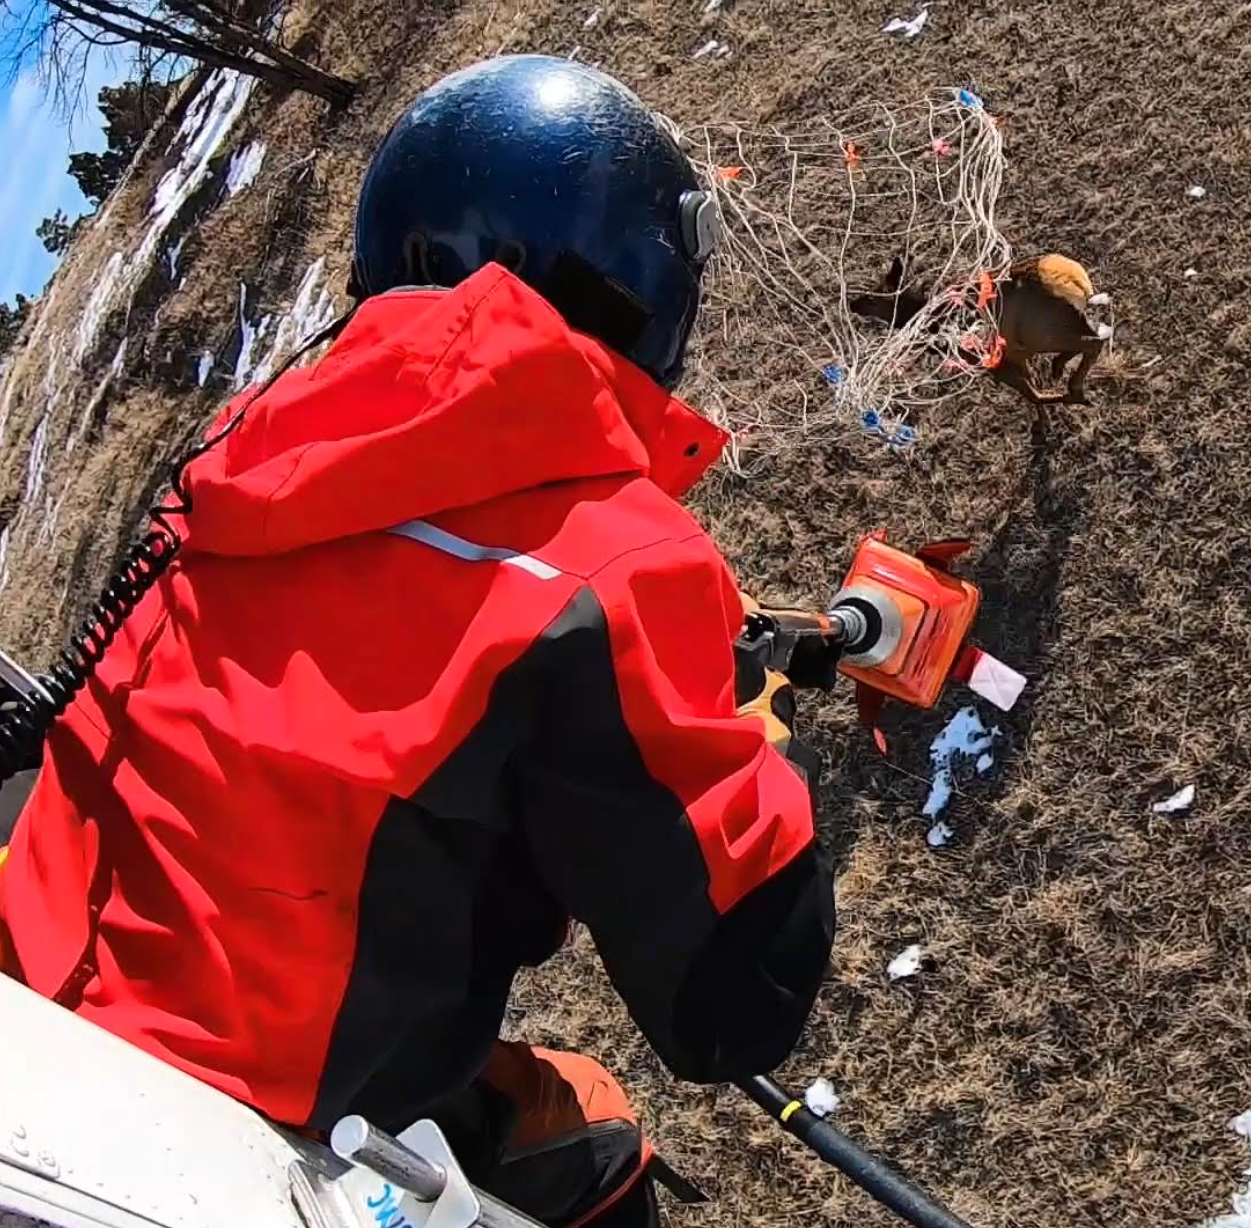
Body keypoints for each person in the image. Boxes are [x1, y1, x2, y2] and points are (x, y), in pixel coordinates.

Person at [0, 55, 836, 1228]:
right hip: (231, 1146)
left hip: (41, 1021)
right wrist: (744, 739)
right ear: (641, 286)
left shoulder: (248, 461)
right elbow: (734, 1007)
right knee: (597, 1154)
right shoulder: (615, 562)